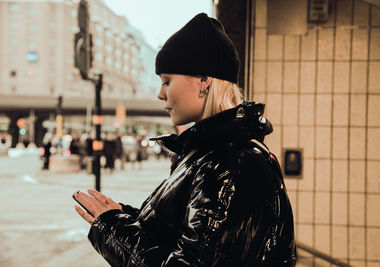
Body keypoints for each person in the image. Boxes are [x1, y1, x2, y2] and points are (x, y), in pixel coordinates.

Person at [73, 13, 296, 266]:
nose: (160, 93)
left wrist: (112, 229)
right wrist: (125, 217)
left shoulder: (228, 164)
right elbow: (185, 236)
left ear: (204, 80)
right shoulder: (208, 153)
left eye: (167, 81)